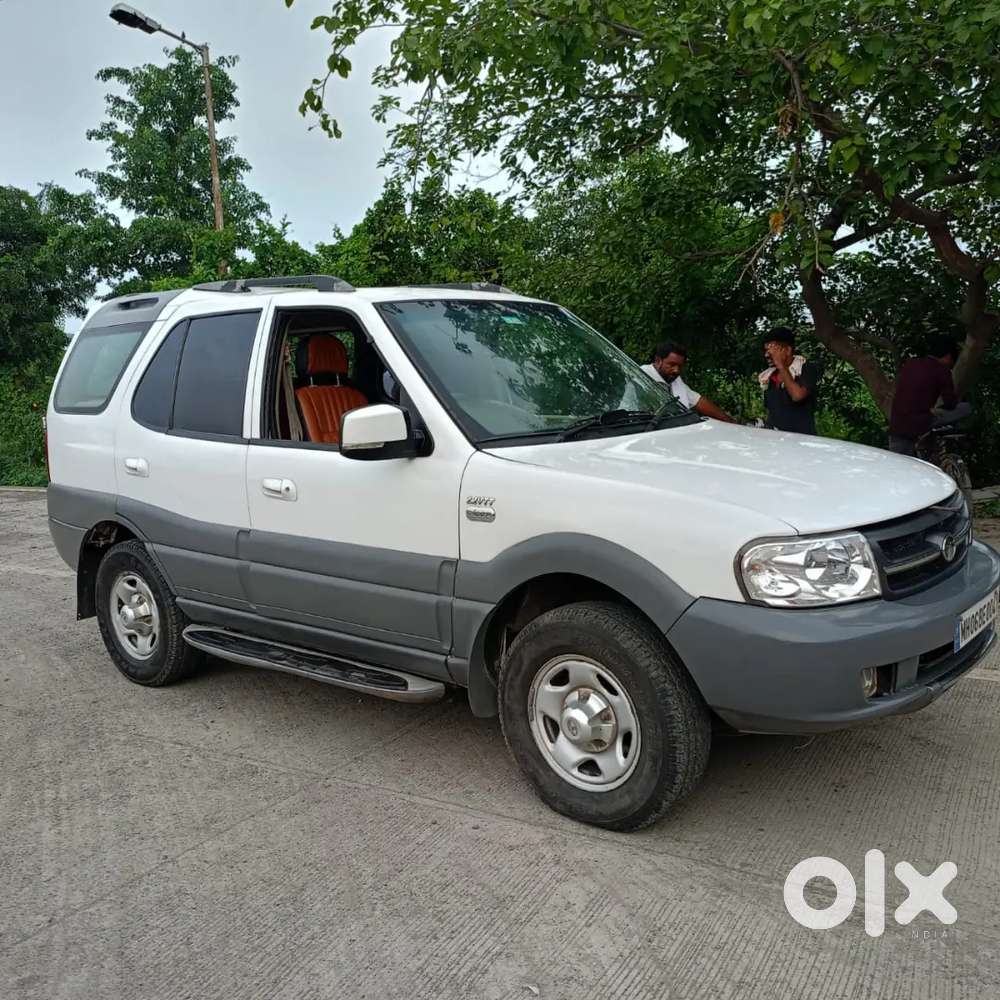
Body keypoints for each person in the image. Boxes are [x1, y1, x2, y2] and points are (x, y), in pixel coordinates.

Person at [888, 335, 971, 456]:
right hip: (921, 422)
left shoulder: (911, 364)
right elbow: (950, 403)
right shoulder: (942, 371)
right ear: (948, 356)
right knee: (966, 408)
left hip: (897, 425)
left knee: (898, 462)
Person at [641, 342, 735, 422]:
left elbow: (698, 401)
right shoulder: (642, 376)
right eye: (672, 364)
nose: (676, 370)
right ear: (658, 361)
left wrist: (731, 422)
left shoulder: (674, 379)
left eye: (680, 366)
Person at [758, 328, 821, 435]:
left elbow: (797, 395)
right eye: (766, 351)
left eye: (773, 351)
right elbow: (772, 412)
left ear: (787, 350)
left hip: (801, 439)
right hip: (775, 438)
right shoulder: (769, 376)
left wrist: (781, 365)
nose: (767, 355)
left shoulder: (806, 369)